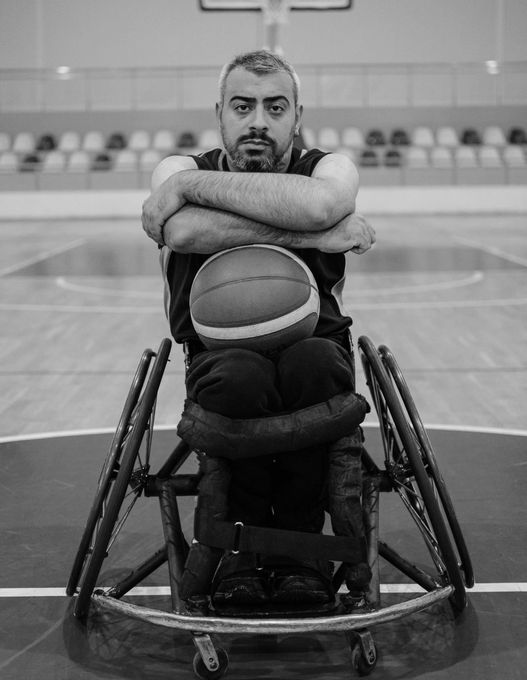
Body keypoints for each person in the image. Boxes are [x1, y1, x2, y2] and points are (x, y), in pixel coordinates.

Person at [142, 50, 376, 607]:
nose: (258, 122)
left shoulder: (330, 166)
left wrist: (196, 193)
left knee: (315, 364)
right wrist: (311, 234)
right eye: (243, 106)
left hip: (315, 345)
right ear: (219, 112)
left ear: (298, 114)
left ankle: (299, 553)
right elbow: (183, 233)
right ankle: (239, 552)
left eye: (275, 108)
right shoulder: (175, 166)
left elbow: (323, 201)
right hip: (217, 353)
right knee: (241, 377)